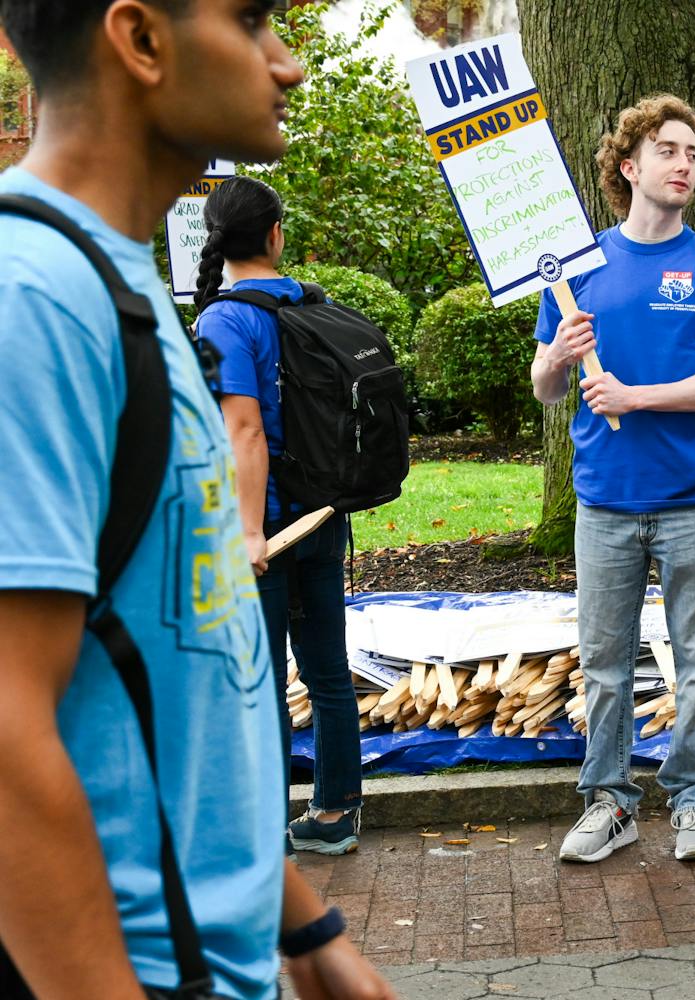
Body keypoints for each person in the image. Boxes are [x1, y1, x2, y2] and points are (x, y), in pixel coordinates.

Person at [0, 1, 392, 998]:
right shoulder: (30, 299)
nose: (287, 63)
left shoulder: (124, 285)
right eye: (253, 19)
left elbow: (191, 686)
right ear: (140, 40)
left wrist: (303, 925)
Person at [533, 94, 695, 865]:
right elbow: (546, 389)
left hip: (693, 501)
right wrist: (557, 354)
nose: (684, 163)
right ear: (630, 166)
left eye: (692, 153)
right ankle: (610, 802)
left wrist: (635, 397)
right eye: (667, 150)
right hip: (605, 506)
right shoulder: (576, 268)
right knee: (606, 665)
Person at [195, 175, 364, 856]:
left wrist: (246, 532)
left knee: (259, 679)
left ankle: (265, 830)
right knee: (327, 672)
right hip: (322, 517)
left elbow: (244, 434)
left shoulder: (224, 318)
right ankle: (335, 816)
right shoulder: (306, 301)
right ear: (275, 235)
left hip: (262, 530)